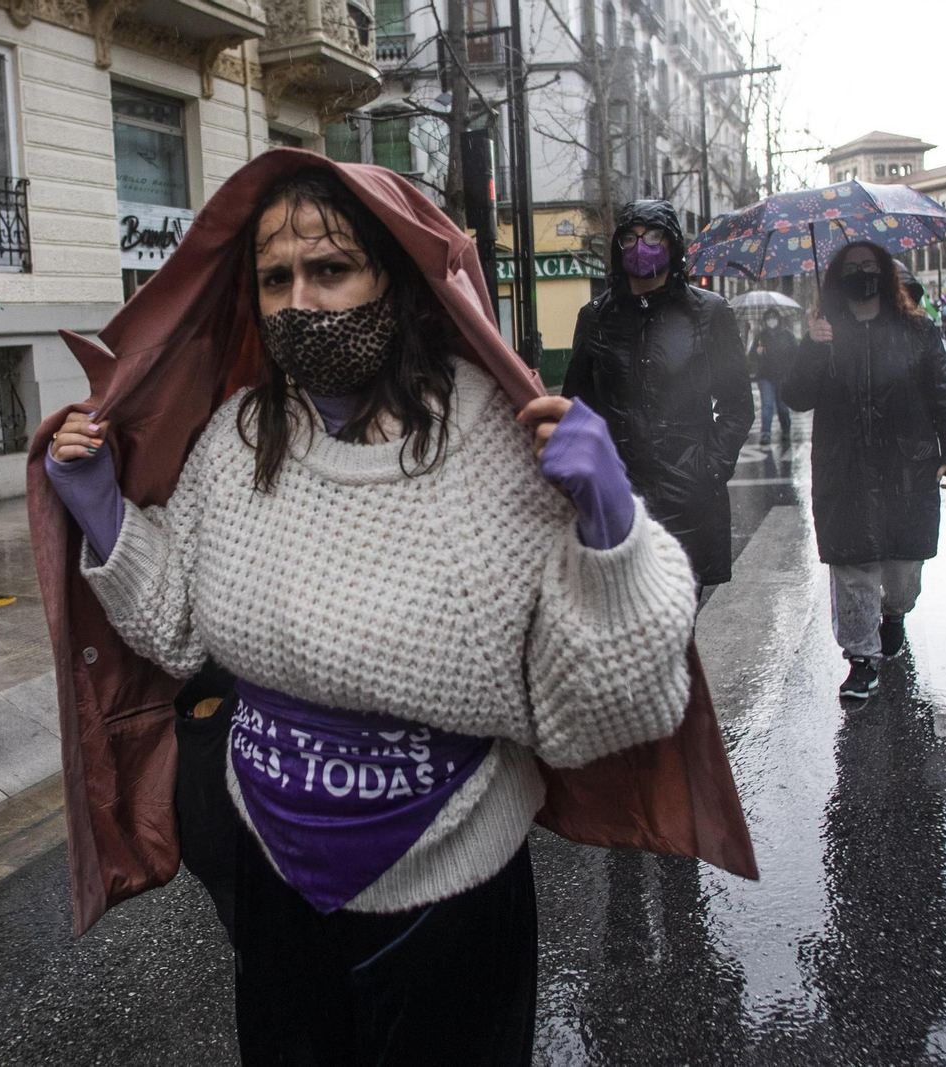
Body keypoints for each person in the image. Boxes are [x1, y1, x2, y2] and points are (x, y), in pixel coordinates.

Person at [45, 165, 698, 1064]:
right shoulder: (238, 441)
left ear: (392, 274)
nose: (302, 303)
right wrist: (100, 507)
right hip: (276, 888)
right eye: (277, 280)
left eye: (331, 270)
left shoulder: (492, 448)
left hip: (447, 911)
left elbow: (597, 710)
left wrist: (611, 527)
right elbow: (180, 627)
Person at [783, 241, 946, 700]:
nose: (861, 273)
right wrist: (811, 347)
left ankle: (895, 615)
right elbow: (796, 396)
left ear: (884, 273)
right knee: (853, 565)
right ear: (836, 277)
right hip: (843, 468)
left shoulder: (917, 331)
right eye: (852, 267)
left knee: (903, 569)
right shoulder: (823, 332)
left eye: (870, 266)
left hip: (906, 466)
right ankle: (860, 658)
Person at [563, 200, 754, 588]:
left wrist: (708, 467)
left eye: (653, 236)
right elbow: (576, 407)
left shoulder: (708, 313)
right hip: (620, 496)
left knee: (679, 617)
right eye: (630, 237)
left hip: (689, 494)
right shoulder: (597, 317)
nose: (641, 246)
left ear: (672, 245)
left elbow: (737, 404)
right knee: (628, 615)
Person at [752, 309, 795, 446]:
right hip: (765, 376)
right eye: (768, 318)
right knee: (767, 405)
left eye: (773, 317)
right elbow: (752, 356)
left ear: (778, 319)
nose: (771, 321)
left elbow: (795, 353)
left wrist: (790, 370)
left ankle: (786, 429)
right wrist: (757, 353)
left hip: (783, 377)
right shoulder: (760, 336)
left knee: (782, 406)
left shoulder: (787, 335)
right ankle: (765, 433)